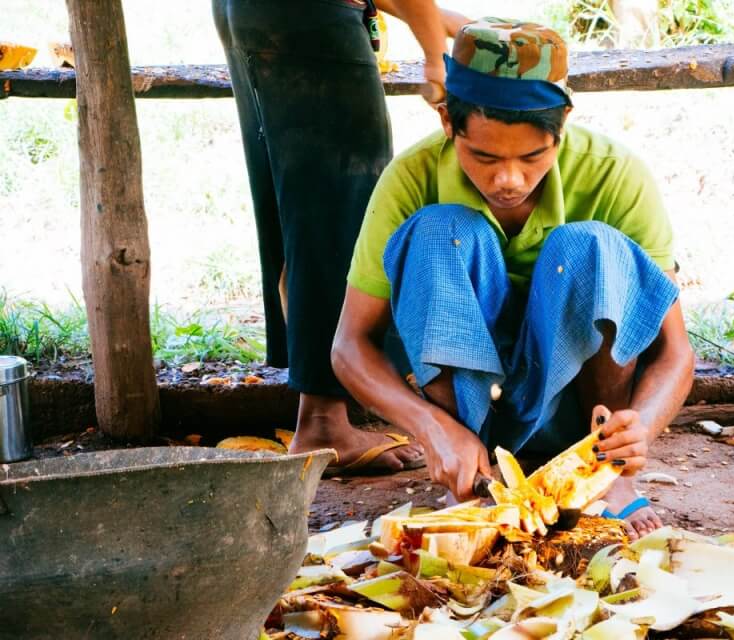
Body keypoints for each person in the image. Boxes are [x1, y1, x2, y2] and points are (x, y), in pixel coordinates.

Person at [332, 19, 695, 539]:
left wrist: (640, 426)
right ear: (447, 122)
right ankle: (471, 475)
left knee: (586, 245)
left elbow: (675, 350)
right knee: (440, 232)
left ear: (563, 124)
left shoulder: (616, 172)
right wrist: (436, 430)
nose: (509, 179)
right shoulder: (411, 177)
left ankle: (602, 475)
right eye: (483, 156)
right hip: (469, 415)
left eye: (532, 156)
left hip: (578, 413)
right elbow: (348, 347)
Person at [213, 0, 469, 474]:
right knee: (340, 210)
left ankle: (319, 410)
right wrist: (436, 55)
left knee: (301, 210)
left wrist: (450, 24)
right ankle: (323, 423)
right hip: (312, 26)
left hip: (253, 15)